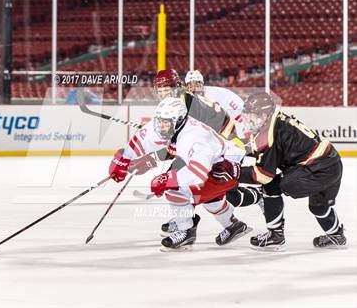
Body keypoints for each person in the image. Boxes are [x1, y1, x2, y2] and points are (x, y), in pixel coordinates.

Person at [108, 97, 251, 250]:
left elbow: (198, 174)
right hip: (215, 162)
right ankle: (233, 225)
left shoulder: (193, 137)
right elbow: (143, 138)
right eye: (160, 121)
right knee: (209, 196)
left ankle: (186, 231)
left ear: (179, 120)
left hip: (226, 167)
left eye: (166, 122)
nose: (162, 126)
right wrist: (124, 159)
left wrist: (166, 179)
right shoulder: (168, 125)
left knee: (175, 189)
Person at [239, 92, 346, 251]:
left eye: (252, 115)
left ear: (264, 114)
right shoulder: (277, 121)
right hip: (332, 162)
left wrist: (234, 171)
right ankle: (336, 235)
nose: (248, 119)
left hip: (316, 168)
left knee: (271, 185)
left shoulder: (268, 133)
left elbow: (262, 175)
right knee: (318, 206)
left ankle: (275, 236)